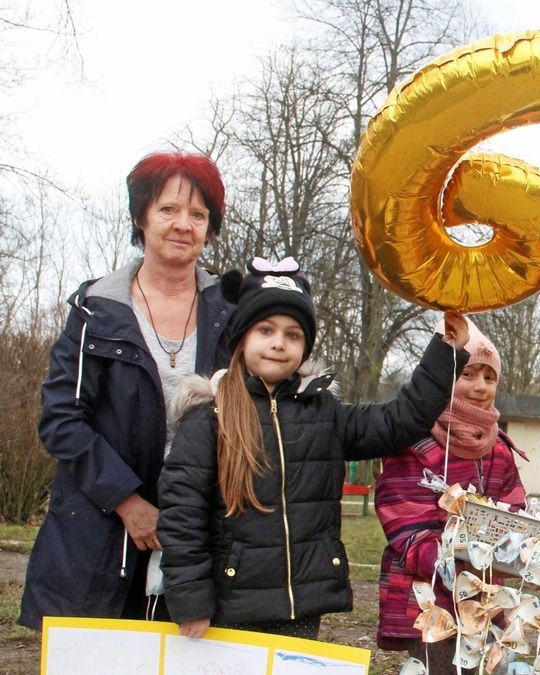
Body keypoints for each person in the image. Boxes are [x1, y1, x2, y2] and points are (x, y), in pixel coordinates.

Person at [156, 259, 469, 639]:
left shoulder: (325, 414)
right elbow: (181, 515)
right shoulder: (209, 419)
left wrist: (445, 351)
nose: (278, 343)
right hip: (228, 609)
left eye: (293, 335)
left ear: (304, 348)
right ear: (242, 338)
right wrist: (190, 600)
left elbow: (399, 421)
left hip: (304, 606)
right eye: (266, 330)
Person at [20, 152, 233, 629]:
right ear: (141, 217)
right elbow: (61, 419)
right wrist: (127, 502)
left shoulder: (234, 311)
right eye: (168, 209)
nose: (183, 225)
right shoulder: (96, 308)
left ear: (210, 228)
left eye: (198, 215)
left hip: (201, 537)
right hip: (99, 534)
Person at [374, 320, 527, 671]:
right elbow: (403, 518)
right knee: (437, 668)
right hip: (428, 596)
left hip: (483, 595)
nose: (480, 386)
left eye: (489, 377)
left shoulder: (498, 447)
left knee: (479, 667)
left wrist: (512, 546)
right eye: (468, 374)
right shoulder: (414, 440)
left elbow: (513, 504)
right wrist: (454, 561)